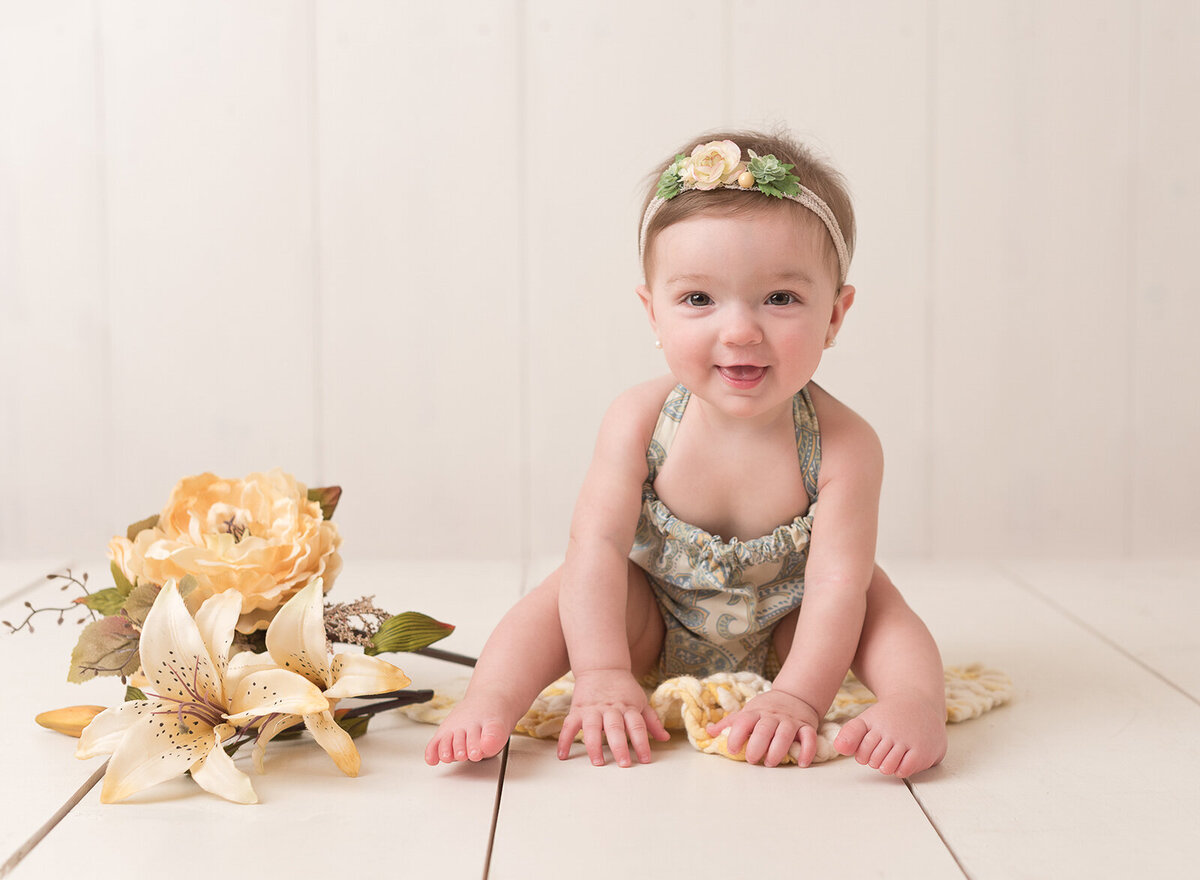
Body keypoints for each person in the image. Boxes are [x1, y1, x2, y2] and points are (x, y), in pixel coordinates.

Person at [425, 130, 948, 777]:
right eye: (699, 299)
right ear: (653, 313)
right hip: (654, 621)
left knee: (873, 598)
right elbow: (598, 546)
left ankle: (916, 702)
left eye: (780, 298)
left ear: (835, 314)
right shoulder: (641, 420)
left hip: (796, 632)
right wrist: (603, 670)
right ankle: (492, 697)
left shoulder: (844, 444)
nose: (739, 330)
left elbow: (834, 585)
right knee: (566, 589)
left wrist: (798, 696)